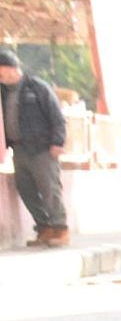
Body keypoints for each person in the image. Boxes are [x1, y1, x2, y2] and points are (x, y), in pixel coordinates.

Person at [0, 47, 69, 248]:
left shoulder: (37, 87)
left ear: (10, 68)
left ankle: (60, 228)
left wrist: (58, 141)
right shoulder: (3, 92)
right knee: (26, 190)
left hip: (42, 149)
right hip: (19, 150)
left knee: (49, 189)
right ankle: (44, 228)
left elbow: (56, 116)